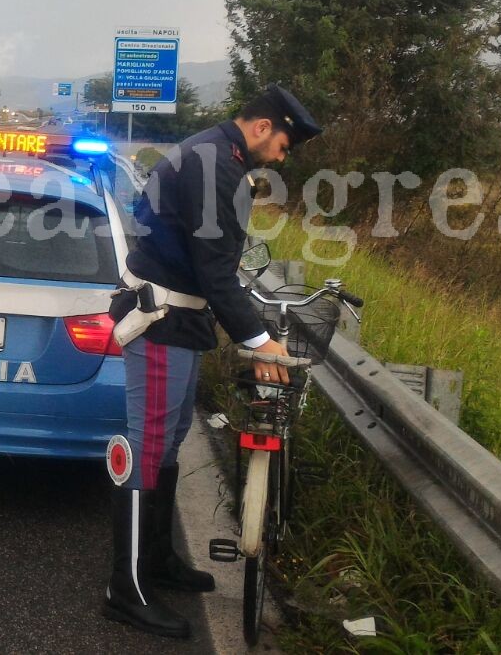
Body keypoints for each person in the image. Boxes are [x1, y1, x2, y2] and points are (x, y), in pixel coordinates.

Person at [102, 84, 321, 639]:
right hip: (161, 320)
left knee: (169, 442)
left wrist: (252, 332)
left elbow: (214, 266)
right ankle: (124, 590)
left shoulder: (216, 156)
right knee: (147, 447)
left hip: (182, 319)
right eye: (285, 142)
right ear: (264, 127)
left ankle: (157, 562)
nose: (284, 153)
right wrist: (261, 341)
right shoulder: (215, 167)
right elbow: (217, 271)